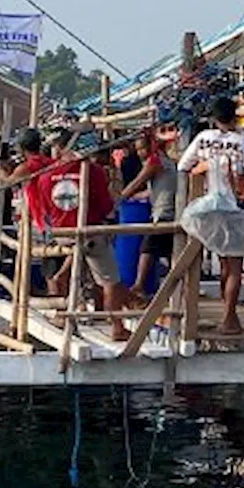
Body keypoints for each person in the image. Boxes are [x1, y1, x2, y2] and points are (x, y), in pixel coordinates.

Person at [23, 134, 143, 341]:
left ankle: (63, 310)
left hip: (62, 234)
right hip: (89, 232)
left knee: (75, 262)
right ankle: (116, 326)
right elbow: (105, 206)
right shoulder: (93, 172)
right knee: (110, 280)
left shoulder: (46, 175)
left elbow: (44, 208)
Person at [177, 96, 244, 335]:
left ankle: (227, 314)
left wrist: (203, 166)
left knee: (223, 262)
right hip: (233, 208)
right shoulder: (242, 143)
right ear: (234, 117)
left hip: (208, 208)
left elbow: (182, 165)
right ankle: (229, 318)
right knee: (235, 265)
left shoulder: (203, 139)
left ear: (214, 119)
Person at [119, 127, 179, 298]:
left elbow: (137, 182)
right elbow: (153, 189)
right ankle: (175, 290)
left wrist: (118, 200)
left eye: (142, 148)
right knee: (169, 254)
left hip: (163, 213)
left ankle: (138, 285)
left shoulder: (155, 162)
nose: (139, 153)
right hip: (168, 211)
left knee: (147, 249)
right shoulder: (165, 161)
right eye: (137, 149)